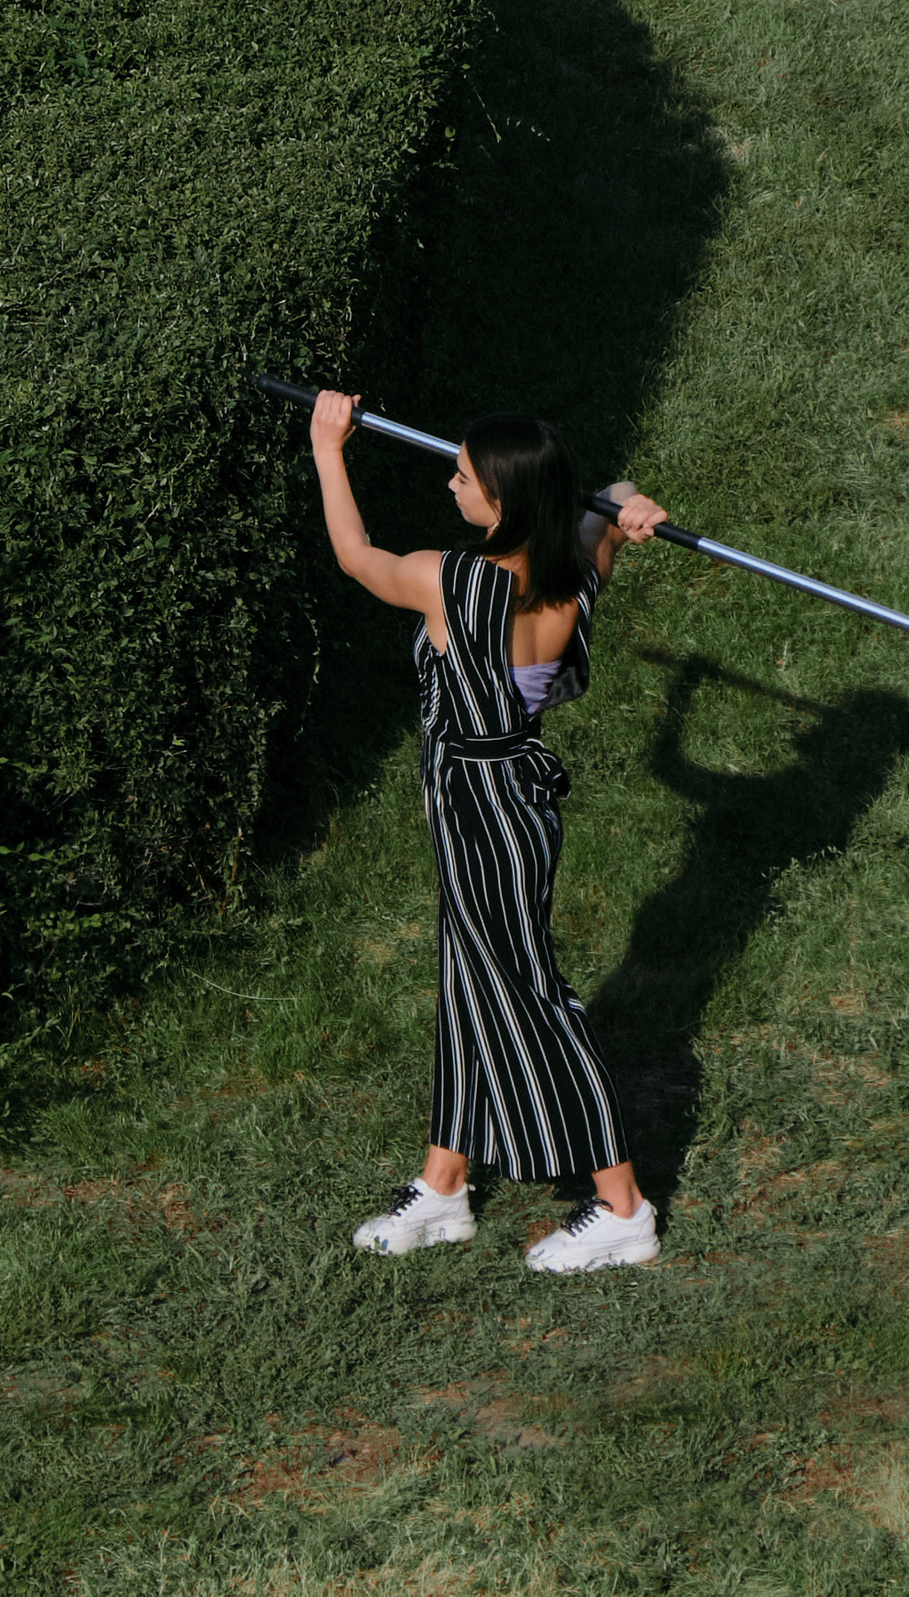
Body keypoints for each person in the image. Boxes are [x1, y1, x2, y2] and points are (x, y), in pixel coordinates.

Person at [307, 387, 669, 1275]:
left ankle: (622, 1205)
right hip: (517, 798)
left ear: (501, 503)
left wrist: (328, 447)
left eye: (463, 476)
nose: (451, 483)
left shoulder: (450, 578)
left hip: (479, 807)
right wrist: (628, 507)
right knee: (470, 985)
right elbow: (607, 509)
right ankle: (444, 1188)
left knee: (526, 996)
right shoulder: (575, 570)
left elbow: (356, 558)